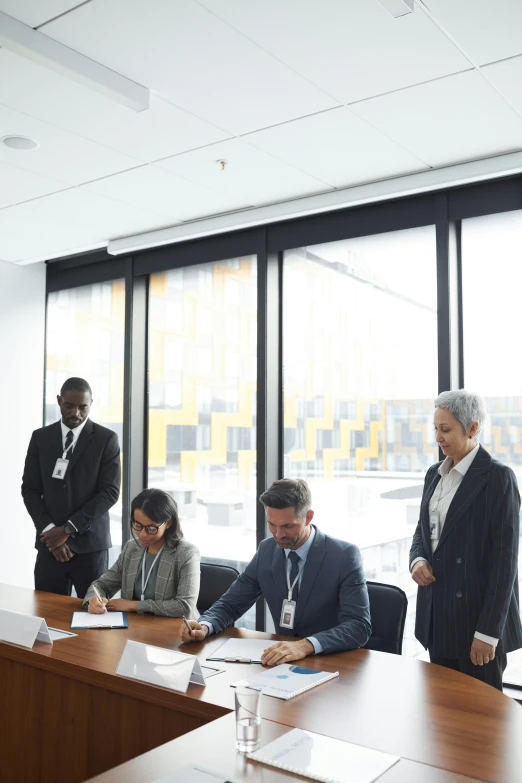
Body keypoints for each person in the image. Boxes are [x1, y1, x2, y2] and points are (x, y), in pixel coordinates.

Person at [180, 478, 371, 665]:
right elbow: (232, 604)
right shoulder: (267, 550)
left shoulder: (343, 555)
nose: (278, 535)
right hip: (281, 661)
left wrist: (306, 645)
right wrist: (205, 625)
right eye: (272, 524)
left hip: (331, 663)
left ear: (309, 517)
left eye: (288, 526)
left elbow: (358, 626)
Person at [410, 390, 522, 691]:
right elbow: (423, 530)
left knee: (482, 724)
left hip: (476, 622)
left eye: (445, 429)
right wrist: (417, 559)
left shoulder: (498, 478)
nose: (438, 437)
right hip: (438, 615)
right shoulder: (434, 474)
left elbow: (505, 563)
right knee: (442, 714)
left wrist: (488, 633)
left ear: (472, 428)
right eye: (435, 428)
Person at [22, 377, 121, 598]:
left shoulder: (106, 439)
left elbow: (110, 493)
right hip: (50, 548)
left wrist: (66, 530)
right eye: (69, 406)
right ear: (59, 401)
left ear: (91, 403)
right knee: (47, 616)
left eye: (83, 407)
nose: (76, 413)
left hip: (91, 548)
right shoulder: (40, 438)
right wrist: (50, 533)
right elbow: (29, 489)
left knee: (94, 620)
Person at [84, 489, 200, 617]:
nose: (142, 534)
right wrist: (94, 599)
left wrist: (134, 605)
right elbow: (102, 585)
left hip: (175, 630)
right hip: (135, 627)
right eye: (138, 525)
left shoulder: (186, 553)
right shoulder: (132, 548)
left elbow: (185, 606)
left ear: (168, 523)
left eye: (151, 528)